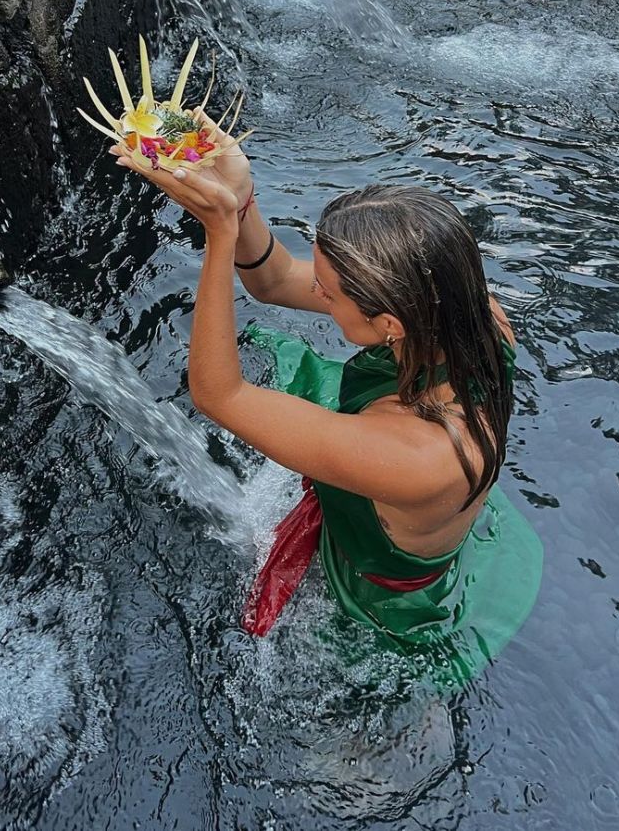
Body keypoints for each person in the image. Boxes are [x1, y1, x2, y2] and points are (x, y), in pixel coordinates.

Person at [112, 116, 542, 686]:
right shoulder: (470, 313)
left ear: (389, 322)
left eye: (330, 292)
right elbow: (274, 280)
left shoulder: (415, 455)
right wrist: (240, 202)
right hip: (409, 497)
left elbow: (218, 393)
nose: (316, 291)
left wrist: (217, 237)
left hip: (379, 602)